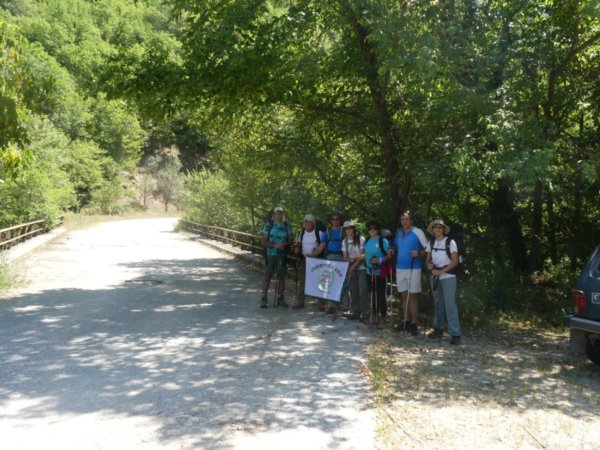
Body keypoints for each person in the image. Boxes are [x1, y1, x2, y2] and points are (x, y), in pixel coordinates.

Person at [392, 211, 428, 336]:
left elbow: (427, 248)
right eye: (402, 219)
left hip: (414, 267)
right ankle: (405, 322)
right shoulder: (399, 232)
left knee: (412, 296)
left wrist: (418, 253)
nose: (405, 221)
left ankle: (413, 324)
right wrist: (392, 249)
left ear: (411, 220)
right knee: (404, 296)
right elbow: (396, 246)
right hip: (400, 267)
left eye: (407, 219)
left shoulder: (418, 231)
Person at [425, 219, 461, 345]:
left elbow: (455, 262)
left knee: (450, 305)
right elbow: (428, 259)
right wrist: (430, 267)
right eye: (435, 227)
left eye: (440, 227)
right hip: (435, 276)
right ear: (433, 229)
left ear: (444, 230)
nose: (437, 229)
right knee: (437, 303)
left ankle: (455, 334)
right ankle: (438, 329)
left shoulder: (450, 242)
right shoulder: (431, 242)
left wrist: (441, 271)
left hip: (448, 276)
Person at [259, 206, 293, 308]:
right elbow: (263, 241)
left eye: (281, 213)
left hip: (282, 254)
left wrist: (284, 244)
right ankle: (264, 298)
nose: (279, 215)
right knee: (267, 276)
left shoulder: (287, 225)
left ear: (283, 215)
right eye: (277, 213)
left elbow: (290, 239)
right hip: (270, 254)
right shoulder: (269, 225)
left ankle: (281, 298)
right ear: (273, 215)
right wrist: (275, 245)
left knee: (281, 276)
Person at [316, 211, 345, 313]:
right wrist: (311, 255)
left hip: (342, 258)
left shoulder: (344, 231)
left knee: (342, 282)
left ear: (340, 220)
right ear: (330, 220)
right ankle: (332, 306)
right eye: (333, 219)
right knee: (330, 281)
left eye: (337, 219)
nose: (335, 221)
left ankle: (342, 304)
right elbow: (321, 247)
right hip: (330, 257)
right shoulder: (327, 233)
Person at [364, 220, 391, 323]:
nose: (372, 230)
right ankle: (374, 315)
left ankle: (383, 317)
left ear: (378, 230)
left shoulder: (383, 241)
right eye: (370, 228)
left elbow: (389, 255)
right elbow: (366, 254)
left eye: (375, 228)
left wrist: (380, 260)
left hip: (380, 272)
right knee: (372, 294)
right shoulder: (367, 240)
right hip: (369, 271)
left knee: (381, 295)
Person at [341, 221, 369, 321]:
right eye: (346, 229)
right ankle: (355, 311)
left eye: (350, 228)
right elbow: (345, 257)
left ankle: (365, 313)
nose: (348, 230)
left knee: (363, 290)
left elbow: (362, 256)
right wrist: (349, 267)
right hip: (351, 268)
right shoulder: (344, 241)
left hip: (362, 267)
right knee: (353, 290)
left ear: (353, 228)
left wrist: (353, 266)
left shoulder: (361, 239)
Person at [293, 214, 321, 310]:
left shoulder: (318, 232)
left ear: (313, 223)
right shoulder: (301, 232)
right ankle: (300, 301)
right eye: (305, 221)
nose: (307, 223)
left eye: (309, 222)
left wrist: (315, 252)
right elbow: (299, 244)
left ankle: (321, 303)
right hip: (304, 259)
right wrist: (297, 249)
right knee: (303, 281)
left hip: (316, 260)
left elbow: (323, 245)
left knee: (318, 280)